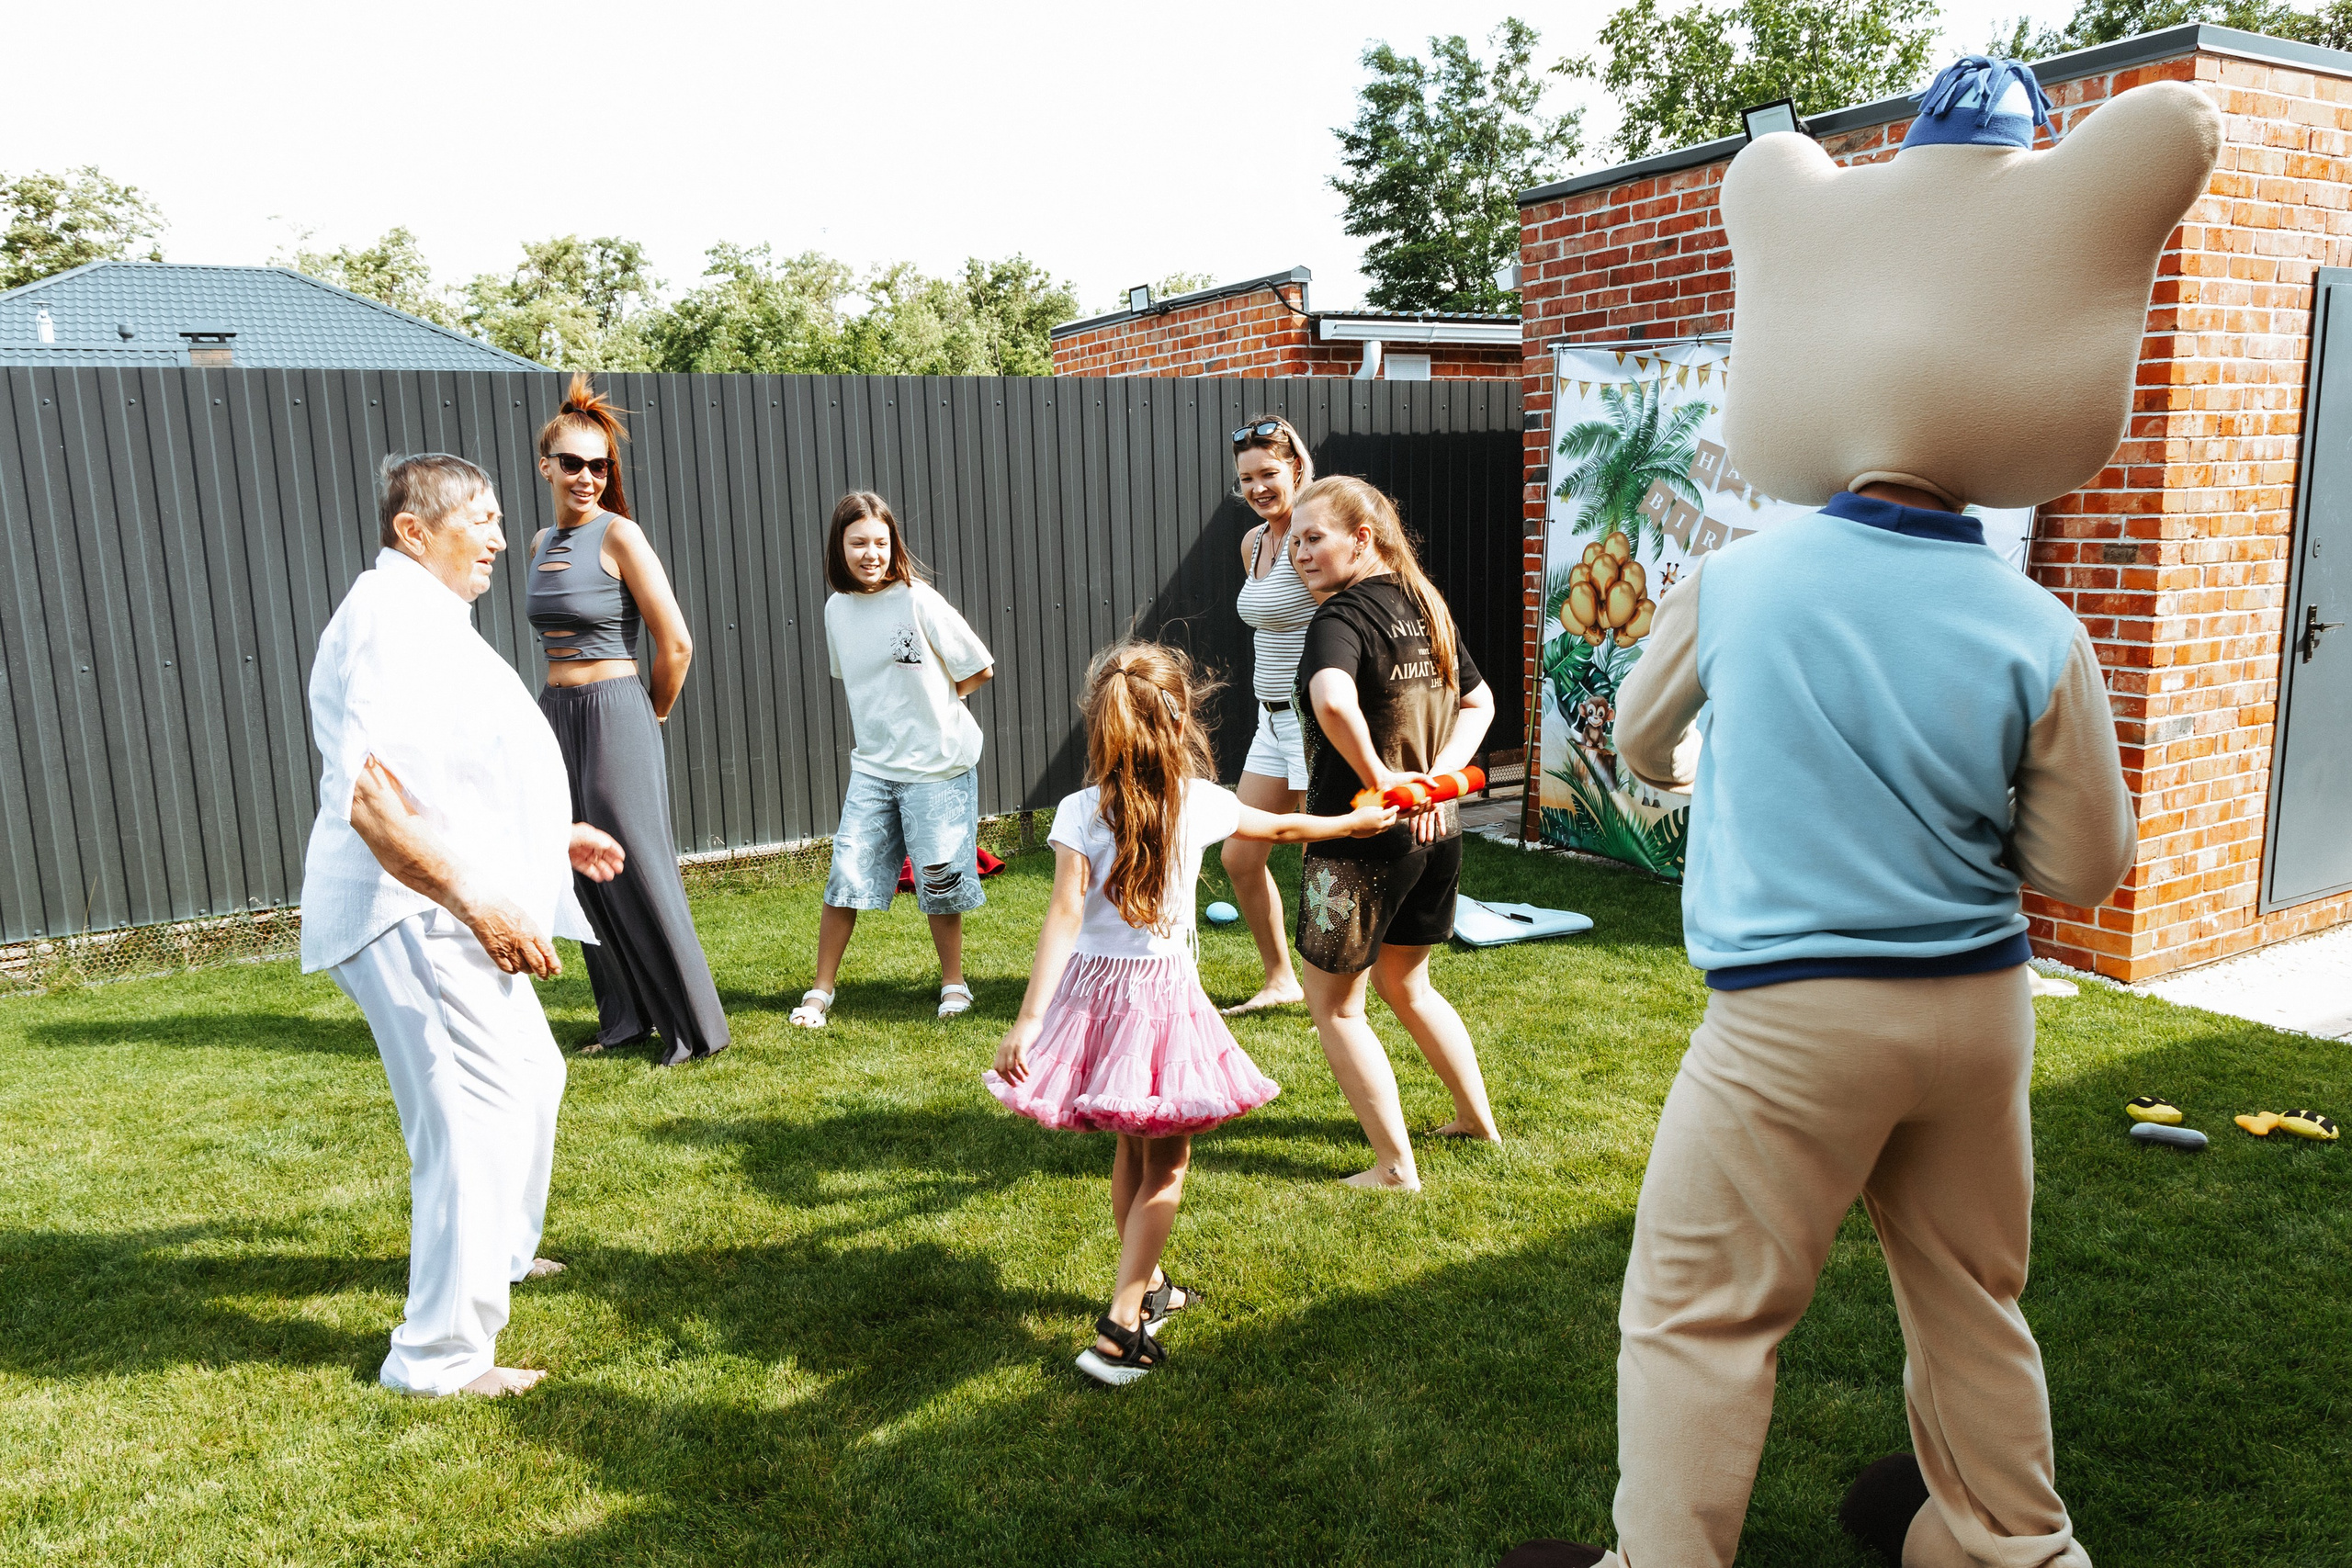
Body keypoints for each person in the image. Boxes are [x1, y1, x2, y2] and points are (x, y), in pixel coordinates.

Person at [1502, 54, 2211, 1568]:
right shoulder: (2036, 626)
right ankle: (2015, 1543)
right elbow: (2088, 863)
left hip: (1790, 1014)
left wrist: (1704, 778)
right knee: (1971, 1297)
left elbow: (1641, 740)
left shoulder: (1740, 583)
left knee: (1701, 1308)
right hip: (1976, 1010)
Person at [300, 453, 626, 1397]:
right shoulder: (388, 616)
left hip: (444, 904)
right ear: (414, 531)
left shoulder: (427, 615)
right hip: (417, 913)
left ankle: (501, 1254)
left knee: (532, 1076)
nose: (498, 539)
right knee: (469, 1122)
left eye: (497, 520)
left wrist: (549, 834)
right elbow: (370, 794)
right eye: (478, 519)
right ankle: (438, 1359)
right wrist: (476, 900)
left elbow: (446, 772)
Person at [984, 642, 1393, 1384]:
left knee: (1132, 1149)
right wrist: (1350, 826)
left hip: (1092, 999)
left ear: (1103, 727)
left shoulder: (1079, 811)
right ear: (1179, 721)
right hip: (1159, 1001)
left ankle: (1151, 1288)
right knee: (1168, 1161)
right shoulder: (1197, 800)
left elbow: (1064, 915)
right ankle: (1120, 1328)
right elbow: (1284, 830)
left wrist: (1031, 1019)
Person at [1288, 476, 1500, 1191]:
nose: (1300, 553)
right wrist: (1438, 779)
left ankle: (1393, 1167)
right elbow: (1480, 701)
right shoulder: (1423, 604)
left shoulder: (1341, 615)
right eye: (1294, 542)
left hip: (1362, 838)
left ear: (1362, 538)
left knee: (1335, 1006)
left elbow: (1331, 698)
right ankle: (1476, 1119)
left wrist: (1382, 777)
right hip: (1436, 832)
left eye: (1314, 537)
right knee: (1408, 984)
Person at [527, 374, 728, 1067]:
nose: (588, 477)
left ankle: (693, 1028)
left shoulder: (621, 536)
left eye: (600, 466)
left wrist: (655, 712)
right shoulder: (539, 542)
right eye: (574, 463)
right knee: (579, 865)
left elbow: (677, 644)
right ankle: (622, 1019)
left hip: (616, 708)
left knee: (638, 863)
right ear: (546, 466)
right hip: (555, 714)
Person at [792, 491, 995, 1028]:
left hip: (937, 769)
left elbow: (978, 668)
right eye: (858, 543)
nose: (871, 554)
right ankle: (820, 992)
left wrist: (933, 705)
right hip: (874, 769)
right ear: (839, 547)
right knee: (846, 876)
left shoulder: (917, 600)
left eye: (881, 542)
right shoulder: (837, 610)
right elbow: (860, 678)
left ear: (893, 544)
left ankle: (954, 985)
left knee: (940, 881)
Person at [1220, 412, 1322, 1017]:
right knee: (1240, 855)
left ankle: (1336, 998)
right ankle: (1281, 978)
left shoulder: (1315, 536)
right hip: (1272, 718)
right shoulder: (1253, 542)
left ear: (1296, 467)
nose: (1257, 487)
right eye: (1247, 478)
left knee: (1322, 862)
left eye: (1269, 473)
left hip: (1315, 721)